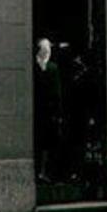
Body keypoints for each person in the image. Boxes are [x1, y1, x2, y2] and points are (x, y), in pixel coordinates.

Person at [33, 37, 63, 183]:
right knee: (37, 142)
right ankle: (37, 171)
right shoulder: (32, 67)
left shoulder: (53, 68)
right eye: (45, 49)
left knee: (48, 143)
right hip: (36, 111)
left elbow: (57, 93)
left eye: (49, 49)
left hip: (48, 112)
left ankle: (45, 172)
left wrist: (57, 112)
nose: (47, 52)